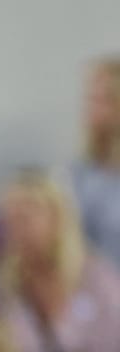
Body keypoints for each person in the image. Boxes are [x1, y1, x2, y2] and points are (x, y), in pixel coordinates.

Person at [0, 169, 120, 352]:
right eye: (9, 220)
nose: (17, 231)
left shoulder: (96, 277)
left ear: (58, 218)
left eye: (26, 218)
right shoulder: (2, 286)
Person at [69, 57, 120, 272]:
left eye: (104, 99)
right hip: (101, 291)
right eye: (91, 98)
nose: (92, 108)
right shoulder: (79, 172)